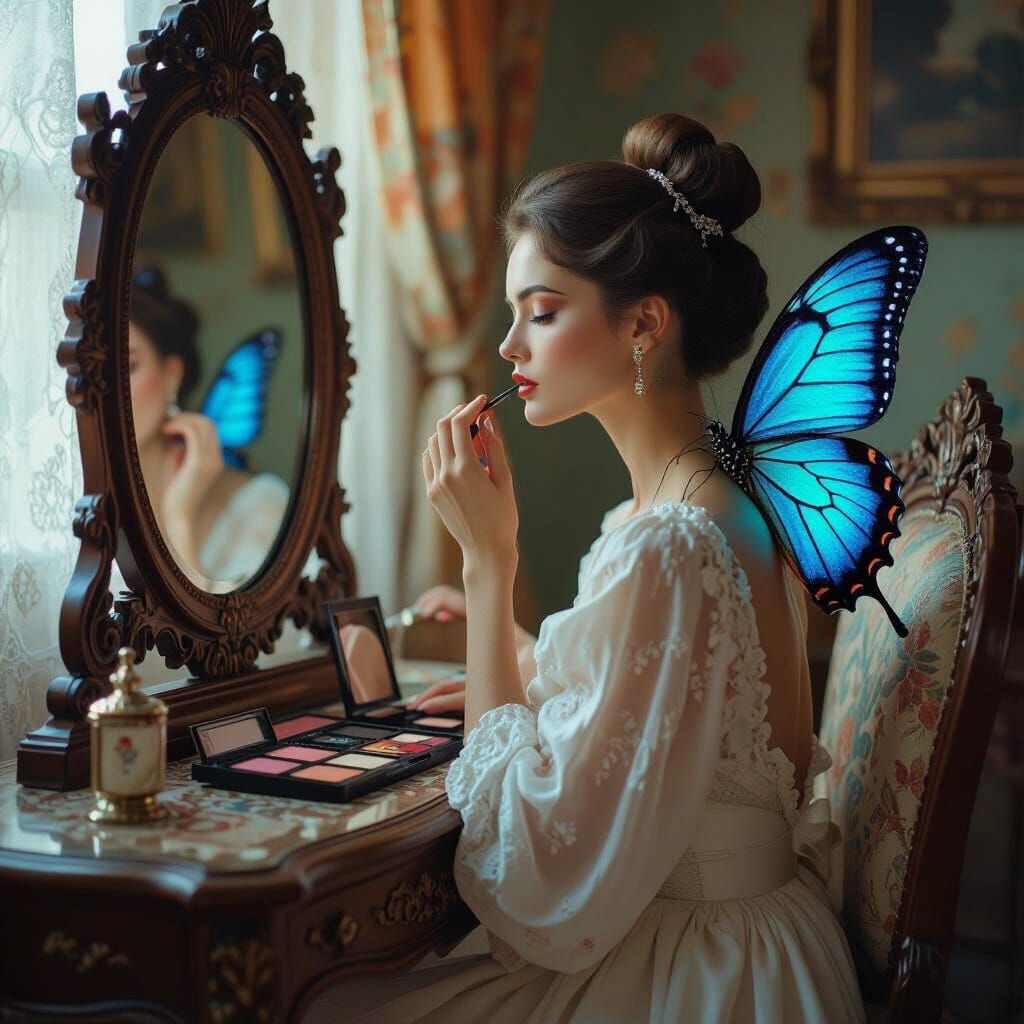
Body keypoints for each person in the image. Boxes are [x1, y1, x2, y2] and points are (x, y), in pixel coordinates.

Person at [305, 113, 865, 1023]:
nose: (509, 348)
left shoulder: (669, 544)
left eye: (542, 311)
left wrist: (490, 561)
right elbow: (688, 705)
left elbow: (533, 877)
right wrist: (533, 658)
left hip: (705, 970)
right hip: (753, 935)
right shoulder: (699, 505)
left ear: (643, 322)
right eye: (513, 315)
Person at [125, 266, 289, 592]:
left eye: (129, 366)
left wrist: (179, 520)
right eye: (92, 369)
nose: (107, 387)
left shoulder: (261, 507)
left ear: (172, 374)